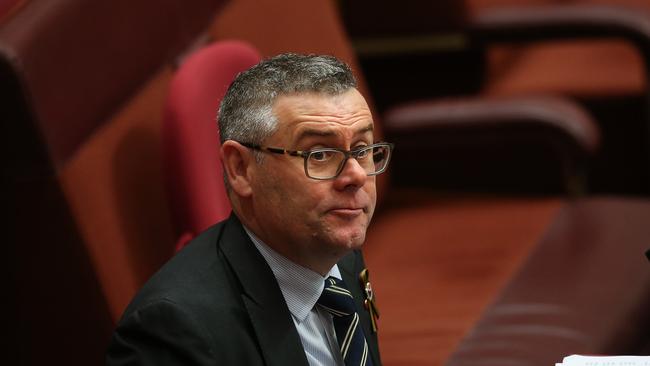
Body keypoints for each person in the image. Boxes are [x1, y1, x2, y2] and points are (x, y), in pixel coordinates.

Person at [106, 53, 393, 366]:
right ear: (240, 169)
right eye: (320, 154)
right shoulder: (173, 332)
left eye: (363, 149)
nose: (356, 176)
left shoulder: (339, 253)